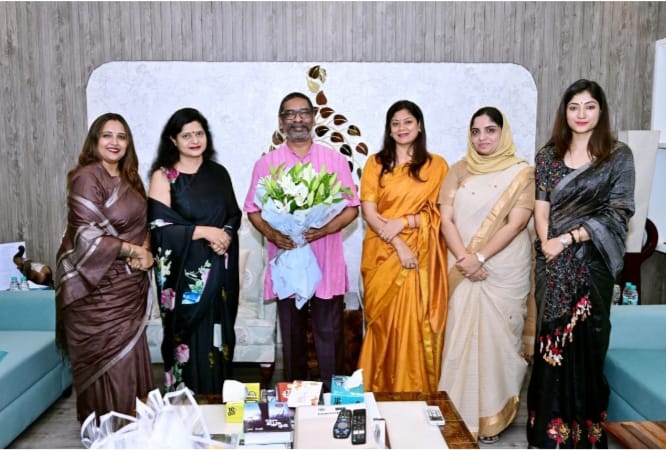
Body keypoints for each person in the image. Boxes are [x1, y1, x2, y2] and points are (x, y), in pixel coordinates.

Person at [526, 79, 635, 448]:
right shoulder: (548, 156)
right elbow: (541, 209)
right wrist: (548, 245)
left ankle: (584, 437)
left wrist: (567, 240)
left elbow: (618, 212)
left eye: (589, 106)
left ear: (600, 111)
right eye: (574, 107)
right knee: (550, 350)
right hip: (551, 264)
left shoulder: (617, 157)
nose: (581, 114)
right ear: (565, 112)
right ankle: (547, 436)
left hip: (592, 265)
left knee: (587, 349)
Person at [243, 92, 359, 392]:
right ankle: (295, 403)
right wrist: (273, 234)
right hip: (287, 264)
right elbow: (253, 210)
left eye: (303, 113)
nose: (297, 119)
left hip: (326, 262)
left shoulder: (334, 160)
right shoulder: (266, 164)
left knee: (330, 337)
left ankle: (333, 400)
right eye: (290, 114)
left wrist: (325, 229)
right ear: (281, 122)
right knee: (292, 339)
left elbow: (351, 208)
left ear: (313, 118)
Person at [437, 107, 535, 443]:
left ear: (502, 133)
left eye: (491, 130)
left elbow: (517, 222)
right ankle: (458, 415)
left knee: (500, 341)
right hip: (461, 265)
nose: (483, 138)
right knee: (459, 338)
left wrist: (480, 256)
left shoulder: (522, 173)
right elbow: (446, 219)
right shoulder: (458, 170)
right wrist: (466, 259)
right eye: (476, 131)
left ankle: (492, 420)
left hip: (503, 269)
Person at [55, 113, 155, 423]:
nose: (115, 142)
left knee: (132, 356)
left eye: (121, 136)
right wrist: (133, 250)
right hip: (95, 290)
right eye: (107, 135)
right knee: (112, 364)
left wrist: (146, 251)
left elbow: (144, 223)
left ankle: (135, 427)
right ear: (95, 141)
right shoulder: (86, 177)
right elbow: (86, 235)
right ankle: (109, 428)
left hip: (128, 287)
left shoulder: (130, 179)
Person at [148, 107, 241, 394]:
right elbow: (159, 227)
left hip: (219, 270)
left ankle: (217, 400)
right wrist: (205, 232)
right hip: (184, 278)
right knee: (187, 343)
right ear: (173, 140)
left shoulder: (218, 173)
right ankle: (184, 403)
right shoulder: (164, 177)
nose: (194, 140)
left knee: (218, 339)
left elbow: (233, 214)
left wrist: (225, 235)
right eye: (186, 135)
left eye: (199, 133)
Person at [357, 100, 448, 392]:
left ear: (419, 126)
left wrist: (405, 221)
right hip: (382, 254)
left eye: (408, 121)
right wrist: (398, 242)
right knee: (382, 325)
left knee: (413, 326)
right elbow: (369, 212)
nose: (402, 128)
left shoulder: (437, 166)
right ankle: (376, 391)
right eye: (395, 123)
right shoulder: (375, 163)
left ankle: (412, 392)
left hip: (421, 256)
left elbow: (441, 214)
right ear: (388, 129)